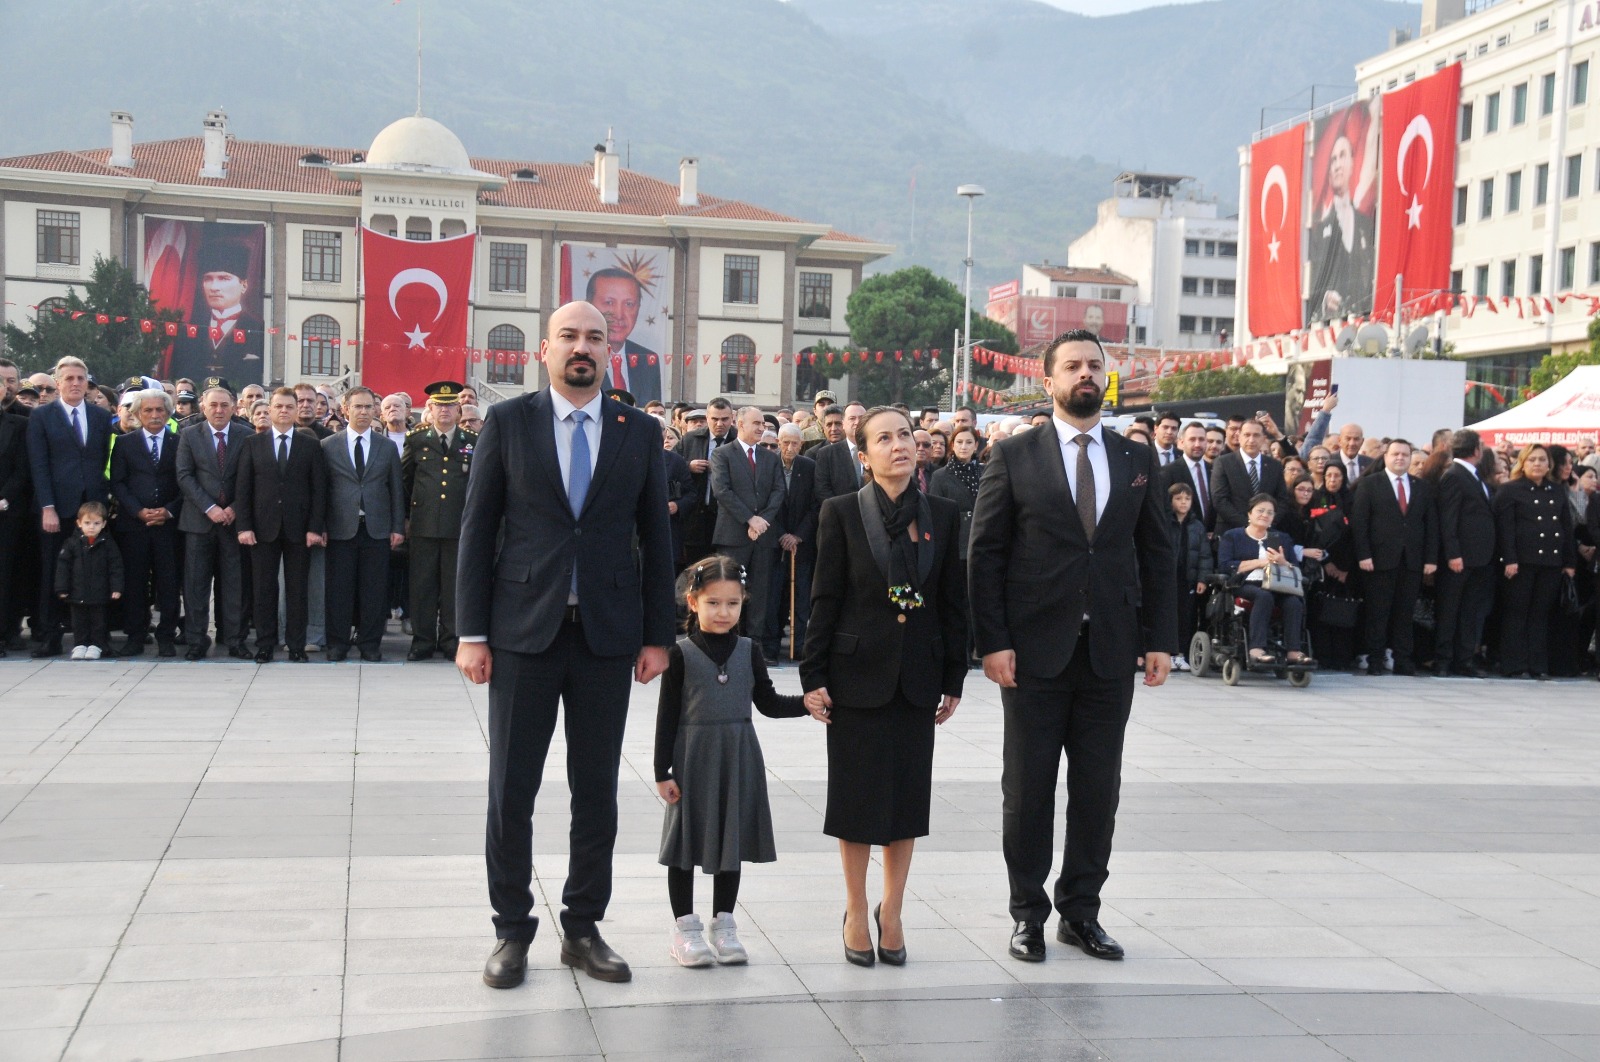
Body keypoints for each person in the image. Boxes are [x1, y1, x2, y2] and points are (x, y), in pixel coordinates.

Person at [457, 300, 675, 989]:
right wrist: (471, 632)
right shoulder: (509, 422)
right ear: (544, 349)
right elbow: (477, 529)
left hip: (607, 636)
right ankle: (510, 929)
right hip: (523, 633)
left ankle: (582, 928)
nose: (583, 348)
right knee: (511, 790)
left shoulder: (639, 431)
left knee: (597, 790)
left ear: (610, 351)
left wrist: (658, 636)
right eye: (570, 337)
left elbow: (657, 537)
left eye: (595, 338)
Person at [968, 329, 1176, 964]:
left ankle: (1081, 912)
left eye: (1095, 365)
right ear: (1049, 380)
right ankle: (1027, 914)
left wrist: (1161, 639)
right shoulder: (1015, 454)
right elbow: (986, 553)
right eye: (1073, 366)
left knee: (1097, 790)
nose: (1086, 374)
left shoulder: (1135, 457)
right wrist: (992, 642)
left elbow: (1157, 552)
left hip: (1110, 651)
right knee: (1028, 789)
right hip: (1033, 653)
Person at [802, 405, 967, 967]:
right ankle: (855, 909)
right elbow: (824, 598)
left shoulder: (942, 514)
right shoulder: (841, 511)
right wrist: (813, 676)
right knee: (855, 802)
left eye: (905, 436)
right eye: (884, 439)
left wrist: (954, 676)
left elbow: (952, 600)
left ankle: (891, 910)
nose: (899, 446)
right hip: (855, 678)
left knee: (906, 802)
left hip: (918, 677)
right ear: (864, 454)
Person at [656, 555, 807, 967]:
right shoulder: (680, 654)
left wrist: (807, 704)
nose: (723, 612)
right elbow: (667, 717)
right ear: (693, 602)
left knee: (731, 839)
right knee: (684, 842)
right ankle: (684, 929)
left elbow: (769, 703)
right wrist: (661, 771)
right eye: (713, 603)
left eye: (732, 603)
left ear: (744, 603)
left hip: (738, 755)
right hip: (693, 758)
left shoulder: (749, 650)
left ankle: (724, 925)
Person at [26, 357, 115, 657]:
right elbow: (39, 465)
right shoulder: (42, 416)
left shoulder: (100, 416)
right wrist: (47, 507)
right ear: (58, 383)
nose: (76, 383)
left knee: (96, 573)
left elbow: (103, 460)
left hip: (93, 510)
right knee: (54, 571)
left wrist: (103, 504)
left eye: (81, 378)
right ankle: (49, 635)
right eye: (69, 378)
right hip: (57, 508)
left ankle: (97, 638)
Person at [234, 389, 327, 663]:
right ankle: (265, 644)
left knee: (297, 590)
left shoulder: (310, 445)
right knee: (264, 589)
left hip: (299, 529)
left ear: (296, 410)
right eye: (279, 406)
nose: (284, 411)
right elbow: (243, 488)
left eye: (289, 406)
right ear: (270, 410)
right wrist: (244, 526)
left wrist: (315, 527)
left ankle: (296, 645)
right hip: (263, 528)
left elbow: (319, 490)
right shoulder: (253, 443)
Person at [321, 387, 404, 663]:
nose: (364, 412)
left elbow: (396, 490)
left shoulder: (386, 446)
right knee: (339, 590)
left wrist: (397, 527)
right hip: (340, 528)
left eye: (369, 407)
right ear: (346, 410)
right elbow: (322, 490)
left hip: (376, 529)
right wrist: (321, 525)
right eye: (358, 406)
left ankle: (370, 644)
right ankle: (338, 643)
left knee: (374, 591)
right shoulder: (328, 445)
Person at [400, 381, 477, 661]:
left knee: (453, 586)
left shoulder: (471, 440)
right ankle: (422, 640)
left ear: (459, 410)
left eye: (450, 406)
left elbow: (477, 484)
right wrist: (406, 518)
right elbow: (404, 481)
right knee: (422, 586)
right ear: (430, 409)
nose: (444, 410)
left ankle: (450, 639)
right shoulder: (417, 439)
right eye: (439, 406)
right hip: (424, 525)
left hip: (458, 526)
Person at [176, 385, 253, 660]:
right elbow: (184, 476)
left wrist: (234, 507)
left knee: (234, 584)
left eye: (224, 405)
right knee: (196, 585)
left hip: (233, 522)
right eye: (213, 405)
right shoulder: (189, 434)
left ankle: (234, 639)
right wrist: (209, 508)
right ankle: (196, 640)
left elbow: (251, 476)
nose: (219, 410)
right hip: (199, 521)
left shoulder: (246, 435)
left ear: (234, 407)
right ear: (203, 407)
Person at [1350, 439, 1437, 676]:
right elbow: (1360, 523)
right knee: (1378, 612)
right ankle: (1376, 659)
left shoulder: (1421, 487)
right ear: (1386, 457)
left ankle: (1403, 660)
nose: (1400, 458)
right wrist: (1364, 554)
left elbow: (1430, 525)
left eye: (1405, 455)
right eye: (1395, 454)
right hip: (1378, 560)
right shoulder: (1370, 484)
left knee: (1405, 613)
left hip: (1411, 560)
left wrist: (1430, 559)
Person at [109, 388, 183, 657]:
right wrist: (138, 511)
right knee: (135, 582)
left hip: (168, 526)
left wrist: (169, 511)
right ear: (138, 414)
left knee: (169, 583)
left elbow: (186, 481)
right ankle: (135, 635)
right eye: (148, 410)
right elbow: (118, 482)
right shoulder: (124, 443)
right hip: (134, 525)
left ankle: (166, 637)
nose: (154, 415)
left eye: (159, 410)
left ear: (168, 413)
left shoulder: (180, 442)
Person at [1494, 444, 1576, 679]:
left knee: (1541, 614)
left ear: (1549, 464)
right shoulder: (1510, 490)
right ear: (1523, 463)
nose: (1537, 464)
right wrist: (1509, 559)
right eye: (1532, 460)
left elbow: (1566, 527)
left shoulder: (1556, 490)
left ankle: (1537, 664)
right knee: (1517, 613)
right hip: (1521, 562)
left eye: (1542, 459)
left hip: (1550, 562)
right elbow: (1505, 529)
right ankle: (1514, 664)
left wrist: (1569, 562)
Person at [710, 406, 785, 649]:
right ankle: (727, 641)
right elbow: (722, 490)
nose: (762, 428)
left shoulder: (771, 457)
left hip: (763, 537)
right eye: (757, 423)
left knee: (760, 592)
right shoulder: (722, 454)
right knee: (730, 589)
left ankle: (754, 645)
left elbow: (779, 491)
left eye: (763, 424)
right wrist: (749, 519)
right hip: (733, 536)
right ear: (740, 424)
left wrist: (762, 521)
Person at [1218, 494, 1313, 664]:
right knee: (1264, 596)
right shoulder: (1233, 536)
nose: (1265, 515)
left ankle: (1293, 650)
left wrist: (1283, 562)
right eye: (1260, 511)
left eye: (1270, 512)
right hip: (1245, 583)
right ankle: (1256, 648)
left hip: (1277, 584)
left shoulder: (1282, 538)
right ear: (1249, 514)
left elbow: (1296, 568)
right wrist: (1260, 563)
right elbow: (1225, 566)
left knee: (1293, 602)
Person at [1434, 430, 1496, 678]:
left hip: (1479, 558)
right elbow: (1448, 519)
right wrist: (1453, 554)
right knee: (1449, 611)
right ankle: (1443, 660)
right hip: (1460, 558)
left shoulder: (1474, 476)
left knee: (1470, 611)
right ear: (1476, 450)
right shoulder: (1454, 476)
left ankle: (1464, 659)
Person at [1305, 127, 1375, 321]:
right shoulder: (1319, 232)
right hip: (1334, 322)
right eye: (1333, 159)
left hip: (1363, 321)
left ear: (1352, 163)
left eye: (1342, 156)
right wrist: (1325, 298)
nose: (1337, 165)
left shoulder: (1366, 225)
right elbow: (1313, 280)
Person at [170, 240, 264, 383]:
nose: (214, 287)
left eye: (224, 278)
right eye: (208, 279)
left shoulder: (258, 329)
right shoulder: (188, 330)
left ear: (244, 285)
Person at [769, 424, 818, 661]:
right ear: (778, 442)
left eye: (795, 443)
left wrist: (798, 535)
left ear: (801, 444)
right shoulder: (769, 464)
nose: (790, 448)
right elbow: (765, 503)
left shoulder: (809, 466)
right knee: (775, 596)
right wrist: (781, 534)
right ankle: (771, 644)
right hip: (774, 542)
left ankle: (798, 646)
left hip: (801, 543)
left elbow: (816, 505)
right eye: (785, 442)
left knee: (801, 596)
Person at [55, 501, 122, 660]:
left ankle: (96, 645)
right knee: (79, 621)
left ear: (104, 524)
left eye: (96, 523)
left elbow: (116, 567)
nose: (91, 527)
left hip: (99, 593)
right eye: (87, 523)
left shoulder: (108, 544)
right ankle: (80, 644)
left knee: (98, 622)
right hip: (77, 592)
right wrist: (62, 588)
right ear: (79, 523)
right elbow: (63, 567)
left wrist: (117, 588)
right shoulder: (71, 543)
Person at [587, 267, 662, 404]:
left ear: (638, 308)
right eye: (609, 302)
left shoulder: (648, 360)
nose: (619, 315)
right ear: (589, 305)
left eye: (629, 304)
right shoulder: (581, 355)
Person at [677, 398, 736, 565]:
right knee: (696, 567)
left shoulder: (739, 441)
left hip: (727, 517)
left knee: (723, 567)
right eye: (715, 419)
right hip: (696, 517)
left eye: (724, 419)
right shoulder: (690, 439)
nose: (719, 424)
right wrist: (688, 466)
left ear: (732, 418)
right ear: (707, 418)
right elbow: (670, 465)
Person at [1211, 419, 1288, 533]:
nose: (1251, 440)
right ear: (1239, 437)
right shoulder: (1223, 462)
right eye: (1247, 435)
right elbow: (1220, 500)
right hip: (1232, 531)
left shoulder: (1275, 465)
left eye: (1256, 435)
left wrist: (1267, 523)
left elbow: (1282, 499)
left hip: (1266, 531)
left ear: (1263, 439)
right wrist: (1249, 525)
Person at [1167, 483, 1212, 671]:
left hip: (1188, 578)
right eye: (1178, 498)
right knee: (1168, 615)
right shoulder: (1165, 522)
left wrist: (1202, 578)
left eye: (1187, 498)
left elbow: (1204, 555)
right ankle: (1167, 653)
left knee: (1186, 617)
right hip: (1168, 577)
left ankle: (1181, 654)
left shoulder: (1197, 526)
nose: (1183, 502)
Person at [929, 425, 982, 564]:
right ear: (952, 445)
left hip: (983, 541)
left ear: (976, 445)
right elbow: (936, 513)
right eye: (959, 442)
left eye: (969, 442)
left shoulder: (985, 472)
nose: (964, 447)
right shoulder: (940, 476)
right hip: (956, 544)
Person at [1162, 421, 1215, 534]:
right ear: (1181, 442)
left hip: (1213, 536)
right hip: (1183, 535)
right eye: (1192, 439)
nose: (1197, 444)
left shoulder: (1215, 469)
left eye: (1201, 439)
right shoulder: (1168, 472)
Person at [812, 401, 867, 502]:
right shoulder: (826, 454)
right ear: (843, 424)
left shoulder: (876, 450)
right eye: (852, 418)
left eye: (861, 418)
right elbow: (822, 490)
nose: (857, 422)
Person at [660, 424, 697, 569]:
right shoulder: (629, 458)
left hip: (669, 531)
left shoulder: (676, 461)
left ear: (664, 433)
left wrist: (677, 506)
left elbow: (691, 494)